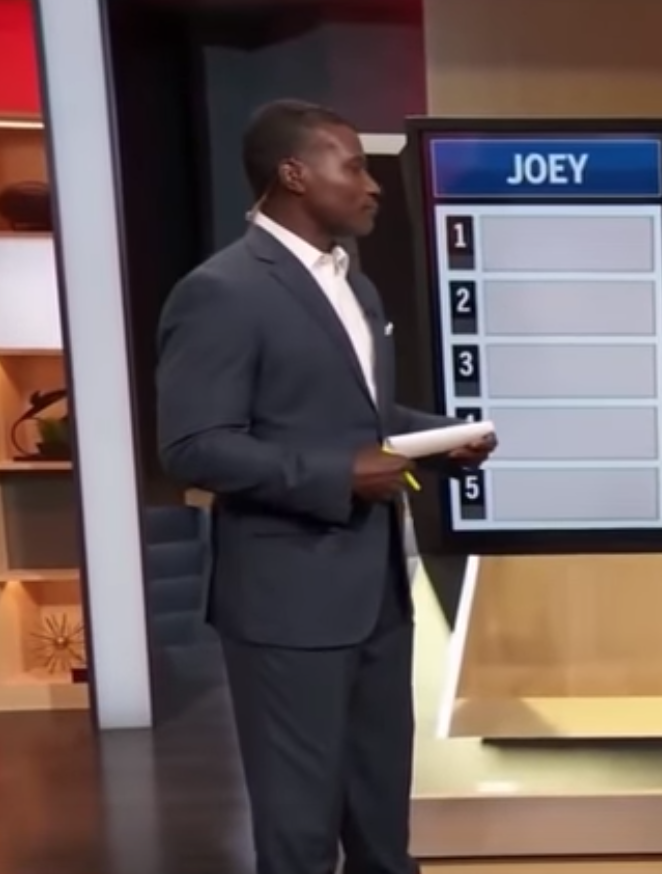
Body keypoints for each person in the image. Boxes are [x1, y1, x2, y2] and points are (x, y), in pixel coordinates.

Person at [155, 99, 496, 874]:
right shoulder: (223, 291)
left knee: (382, 829)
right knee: (301, 834)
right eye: (355, 167)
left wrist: (438, 439)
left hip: (377, 598)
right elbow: (193, 446)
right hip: (287, 607)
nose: (372, 186)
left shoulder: (355, 287)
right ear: (294, 174)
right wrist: (338, 474)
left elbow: (358, 418)